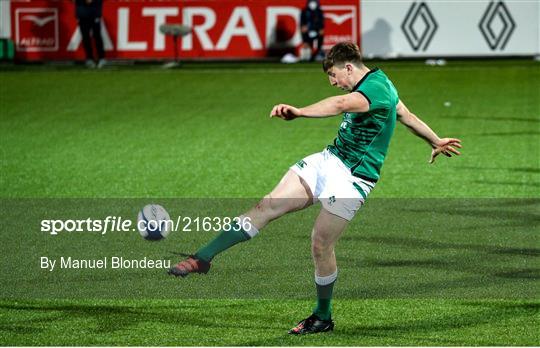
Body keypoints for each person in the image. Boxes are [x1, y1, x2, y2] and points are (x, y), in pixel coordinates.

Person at [168, 42, 462, 335]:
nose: (334, 83)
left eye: (334, 75)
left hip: (354, 178)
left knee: (321, 244)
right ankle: (201, 258)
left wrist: (298, 112)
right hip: (329, 160)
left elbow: (338, 105)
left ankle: (323, 317)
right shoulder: (381, 82)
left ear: (349, 67)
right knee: (267, 206)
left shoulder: (374, 91)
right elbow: (405, 115)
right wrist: (435, 140)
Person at [75, 0, 105, 68]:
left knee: (97, 36)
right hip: (82, 13)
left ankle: (101, 58)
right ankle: (89, 58)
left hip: (95, 12)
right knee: (85, 37)